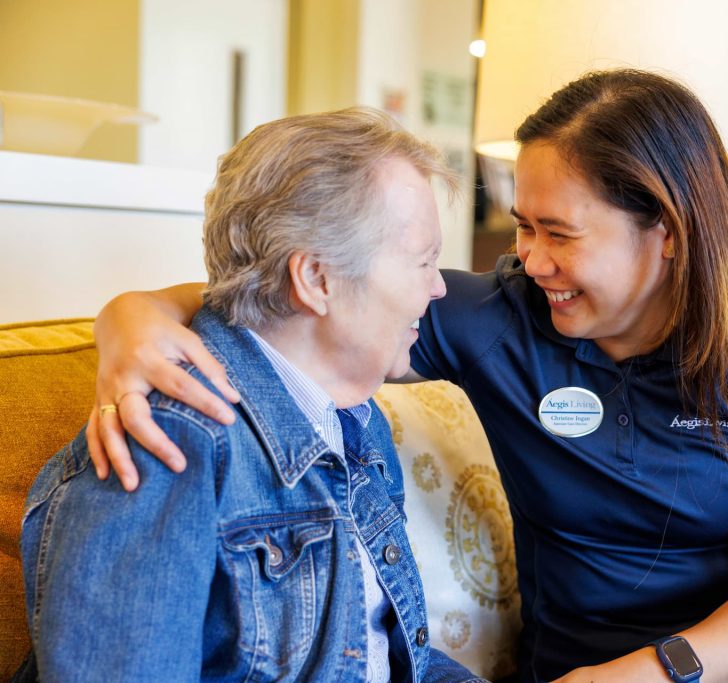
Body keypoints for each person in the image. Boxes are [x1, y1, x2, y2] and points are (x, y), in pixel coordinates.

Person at [85, 70, 728, 683]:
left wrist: (657, 671)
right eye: (523, 225)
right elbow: (296, 300)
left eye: (558, 233)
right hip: (582, 658)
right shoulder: (505, 316)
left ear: (664, 231)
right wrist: (134, 313)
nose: (529, 258)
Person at [18, 108, 487, 683]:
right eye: (424, 261)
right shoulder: (168, 446)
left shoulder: (353, 418)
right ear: (316, 280)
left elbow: (385, 661)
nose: (438, 287)